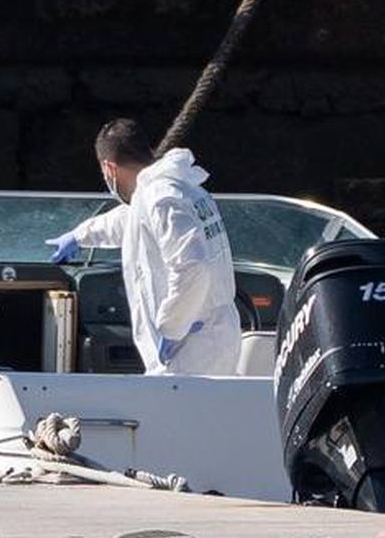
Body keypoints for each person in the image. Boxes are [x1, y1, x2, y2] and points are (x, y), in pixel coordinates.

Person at [46, 118, 241, 376]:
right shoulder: (177, 189)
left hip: (191, 348)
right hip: (210, 336)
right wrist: (80, 236)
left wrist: (172, 328)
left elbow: (193, 265)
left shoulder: (161, 198)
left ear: (109, 168)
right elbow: (131, 221)